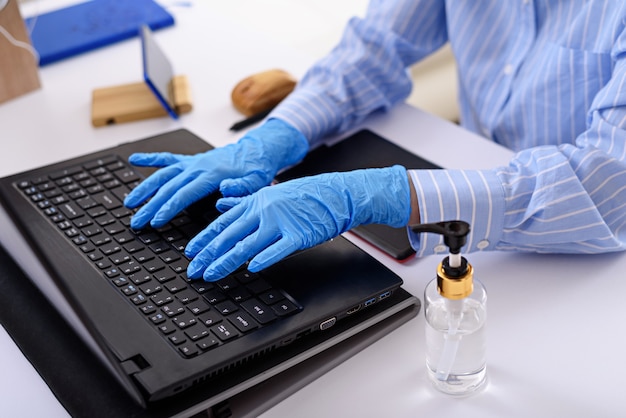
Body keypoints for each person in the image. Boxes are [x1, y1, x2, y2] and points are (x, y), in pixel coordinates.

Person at [124, 0, 626, 281]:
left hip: (591, 261)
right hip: (486, 207)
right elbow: (375, 48)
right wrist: (276, 135)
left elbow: (606, 184)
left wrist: (377, 195)